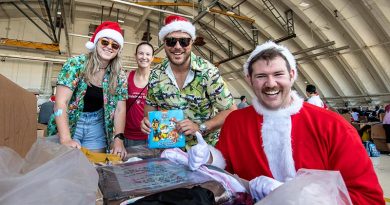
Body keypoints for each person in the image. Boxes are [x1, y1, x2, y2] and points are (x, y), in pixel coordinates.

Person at [187, 41, 384, 204]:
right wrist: (210, 158)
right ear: (249, 79)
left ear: (291, 75)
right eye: (261, 76)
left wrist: (295, 195)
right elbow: (227, 170)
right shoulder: (236, 121)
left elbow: (369, 199)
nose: (270, 83)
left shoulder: (333, 126)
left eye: (278, 74)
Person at [140, 15, 236, 148]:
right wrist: (147, 122)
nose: (178, 47)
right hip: (170, 150)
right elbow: (150, 109)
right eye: (171, 41)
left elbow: (231, 111)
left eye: (184, 41)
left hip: (205, 150)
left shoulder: (208, 72)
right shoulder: (156, 75)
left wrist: (201, 127)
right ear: (164, 43)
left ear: (191, 42)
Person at [47, 21, 128, 159]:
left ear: (118, 50)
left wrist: (118, 139)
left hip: (96, 125)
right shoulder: (75, 64)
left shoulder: (119, 74)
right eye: (105, 42)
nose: (109, 47)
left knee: (94, 168)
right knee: (63, 167)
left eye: (114, 45)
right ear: (96, 42)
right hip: (71, 122)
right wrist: (65, 138)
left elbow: (120, 109)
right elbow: (61, 103)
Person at [124, 42, 154, 147]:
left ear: (152, 58)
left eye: (148, 54)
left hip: (151, 135)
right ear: (135, 56)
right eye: (141, 53)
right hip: (128, 136)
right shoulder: (127, 77)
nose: (144, 57)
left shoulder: (158, 80)